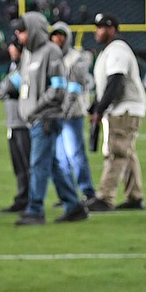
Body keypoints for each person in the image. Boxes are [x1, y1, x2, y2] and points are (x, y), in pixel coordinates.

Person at [12, 12, 88, 225]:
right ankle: (73, 206)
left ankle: (35, 210)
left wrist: (37, 108)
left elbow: (58, 88)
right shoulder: (28, 54)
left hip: (45, 118)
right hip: (35, 118)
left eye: (23, 30)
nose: (19, 35)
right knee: (53, 164)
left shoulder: (51, 52)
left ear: (34, 30)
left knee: (38, 164)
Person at [86, 13, 146, 211]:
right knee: (127, 153)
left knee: (117, 151)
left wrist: (100, 109)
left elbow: (116, 81)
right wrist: (95, 106)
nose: (97, 32)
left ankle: (105, 197)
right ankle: (135, 196)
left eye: (101, 27)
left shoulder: (117, 50)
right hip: (124, 107)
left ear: (111, 29)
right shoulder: (110, 51)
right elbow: (107, 85)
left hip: (124, 108)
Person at [49, 22, 96, 202]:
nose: (58, 38)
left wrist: (66, 106)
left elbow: (76, 85)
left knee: (75, 154)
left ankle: (87, 191)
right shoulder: (52, 56)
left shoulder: (76, 57)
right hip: (56, 112)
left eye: (61, 35)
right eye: (55, 34)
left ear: (67, 37)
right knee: (60, 156)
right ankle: (68, 194)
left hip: (73, 113)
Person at [0, 36, 31, 213]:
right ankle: (23, 198)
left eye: (12, 47)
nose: (10, 50)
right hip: (13, 122)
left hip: (23, 123)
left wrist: (9, 91)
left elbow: (6, 88)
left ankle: (28, 199)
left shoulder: (26, 67)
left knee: (26, 164)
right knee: (19, 164)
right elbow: (0, 91)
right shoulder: (15, 66)